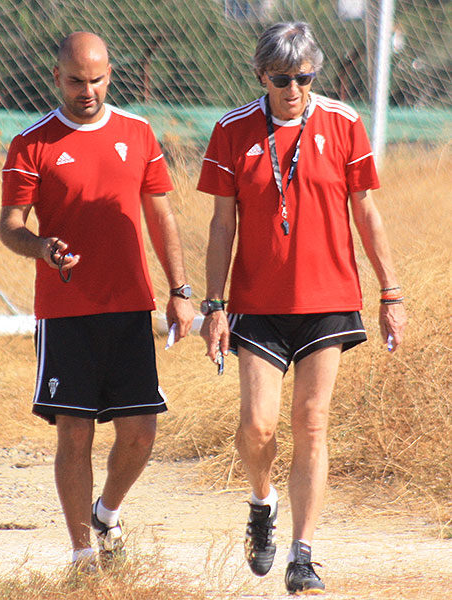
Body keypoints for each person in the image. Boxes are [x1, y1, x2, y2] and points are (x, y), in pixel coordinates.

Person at [197, 22, 407, 595]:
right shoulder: (232, 130)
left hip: (329, 299)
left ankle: (303, 553)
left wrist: (390, 291)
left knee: (312, 423)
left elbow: (366, 213)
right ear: (261, 76)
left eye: (305, 77)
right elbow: (221, 225)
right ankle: (261, 507)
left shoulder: (342, 123)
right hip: (257, 304)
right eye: (282, 79)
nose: (294, 89)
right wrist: (214, 304)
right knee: (257, 425)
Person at [0, 31, 194, 570]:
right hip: (66, 314)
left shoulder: (138, 132)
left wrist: (180, 292)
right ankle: (84, 555)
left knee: (140, 433)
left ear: (110, 75)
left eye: (98, 79)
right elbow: (10, 226)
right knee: (75, 431)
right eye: (77, 81)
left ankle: (107, 512)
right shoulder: (30, 143)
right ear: (56, 79)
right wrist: (41, 247)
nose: (88, 90)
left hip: (130, 307)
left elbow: (161, 216)